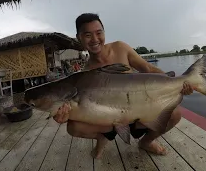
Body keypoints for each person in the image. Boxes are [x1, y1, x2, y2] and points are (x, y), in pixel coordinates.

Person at [53, 13, 194, 159]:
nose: (95, 39)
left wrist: (174, 83)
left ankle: (146, 141)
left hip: (139, 111)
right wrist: (65, 114)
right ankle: (102, 137)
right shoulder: (87, 73)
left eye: (98, 33)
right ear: (79, 37)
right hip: (109, 119)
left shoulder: (120, 48)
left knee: (175, 113)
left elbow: (148, 68)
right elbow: (84, 108)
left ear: (104, 32)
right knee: (73, 127)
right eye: (88, 35)